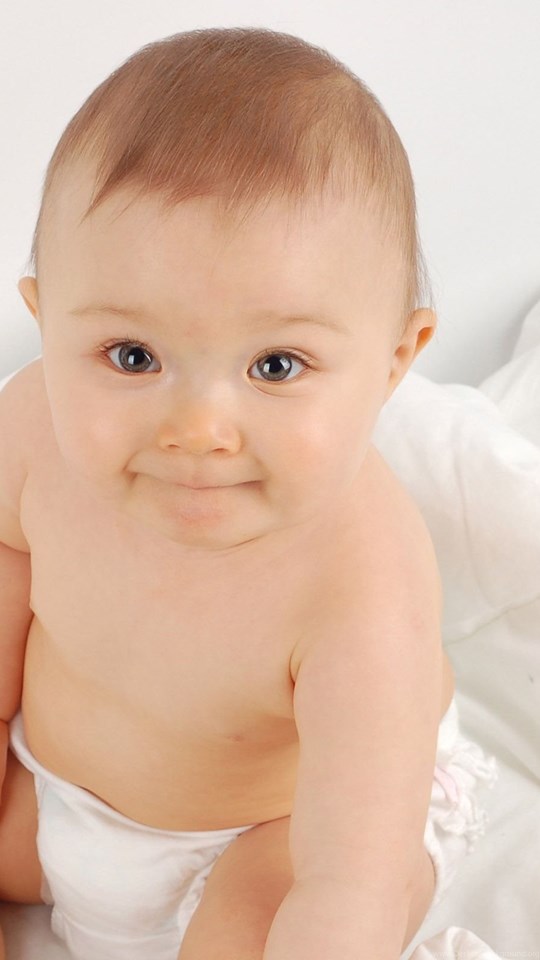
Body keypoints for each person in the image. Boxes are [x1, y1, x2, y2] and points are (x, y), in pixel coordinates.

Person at [0, 26, 498, 960]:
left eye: (276, 365)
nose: (198, 429)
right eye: (132, 356)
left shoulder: (363, 586)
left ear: (395, 360)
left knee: (274, 923)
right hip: (62, 792)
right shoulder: (30, 429)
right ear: (46, 318)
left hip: (276, 839)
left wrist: (338, 912)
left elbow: (348, 877)